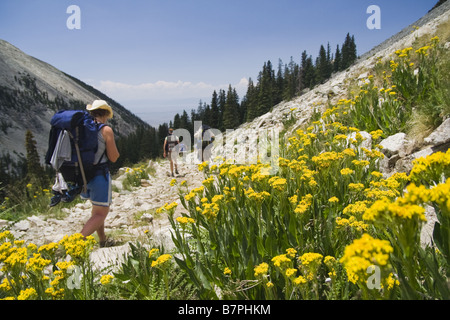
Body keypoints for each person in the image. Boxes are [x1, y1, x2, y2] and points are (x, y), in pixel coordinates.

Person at [80, 100, 120, 248]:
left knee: (96, 210)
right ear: (105, 114)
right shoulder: (105, 130)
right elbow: (113, 157)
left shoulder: (82, 129)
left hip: (83, 176)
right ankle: (76, 243)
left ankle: (103, 240)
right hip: (99, 177)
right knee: (100, 213)